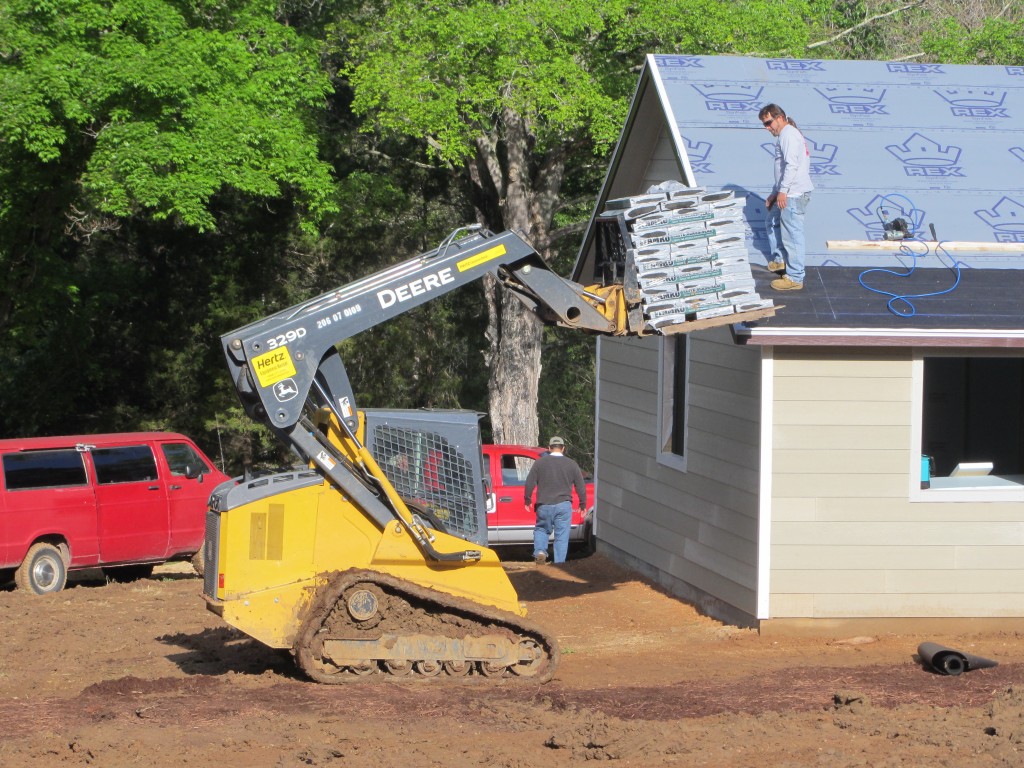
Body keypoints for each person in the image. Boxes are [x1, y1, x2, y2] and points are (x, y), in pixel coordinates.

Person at [758, 103, 813, 291]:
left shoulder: (788, 135)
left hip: (793, 194)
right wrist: (776, 192)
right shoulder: (787, 134)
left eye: (768, 122)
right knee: (772, 222)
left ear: (779, 117)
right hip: (786, 191)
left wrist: (783, 192)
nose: (767, 128)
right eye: (764, 125)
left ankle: (796, 277)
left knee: (792, 235)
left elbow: (791, 166)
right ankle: (780, 260)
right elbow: (781, 169)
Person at [523, 436, 587, 565]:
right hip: (564, 505)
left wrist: (527, 499)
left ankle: (540, 552)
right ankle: (559, 564)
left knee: (541, 529)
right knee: (561, 536)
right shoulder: (571, 464)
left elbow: (530, 482)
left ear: (549, 448)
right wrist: (582, 503)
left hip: (544, 504)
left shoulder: (539, 463)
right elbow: (580, 485)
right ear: (563, 448)